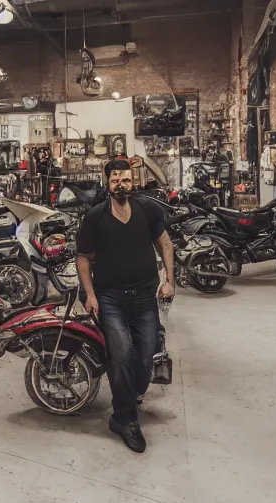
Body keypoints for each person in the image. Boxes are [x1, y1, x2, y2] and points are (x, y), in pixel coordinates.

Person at [75, 159, 175, 453]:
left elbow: (166, 245)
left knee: (145, 357)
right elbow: (83, 258)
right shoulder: (94, 217)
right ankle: (124, 418)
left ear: (134, 182)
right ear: (106, 182)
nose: (121, 184)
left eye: (126, 179)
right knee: (120, 355)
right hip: (109, 297)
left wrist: (170, 280)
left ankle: (131, 395)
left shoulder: (147, 210)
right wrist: (90, 295)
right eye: (115, 179)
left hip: (145, 296)